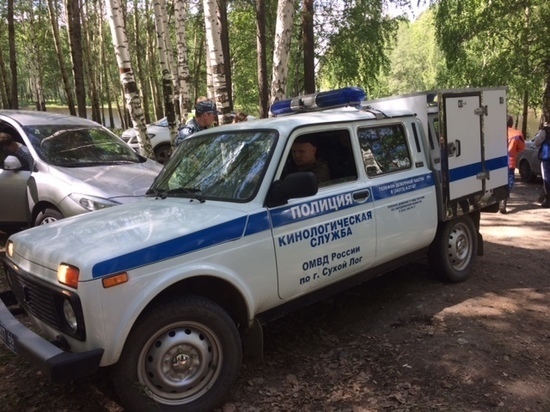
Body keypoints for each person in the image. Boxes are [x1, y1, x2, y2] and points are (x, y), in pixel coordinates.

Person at [500, 115, 525, 213]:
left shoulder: (496, 132)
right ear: (512, 123)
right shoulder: (517, 134)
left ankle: (497, 200)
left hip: (496, 163)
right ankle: (503, 200)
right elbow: (522, 147)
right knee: (509, 181)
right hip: (510, 162)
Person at [533, 122, 550, 208]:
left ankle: (548, 199)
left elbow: (537, 143)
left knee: (546, 178)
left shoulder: (545, 131)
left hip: (547, 157)